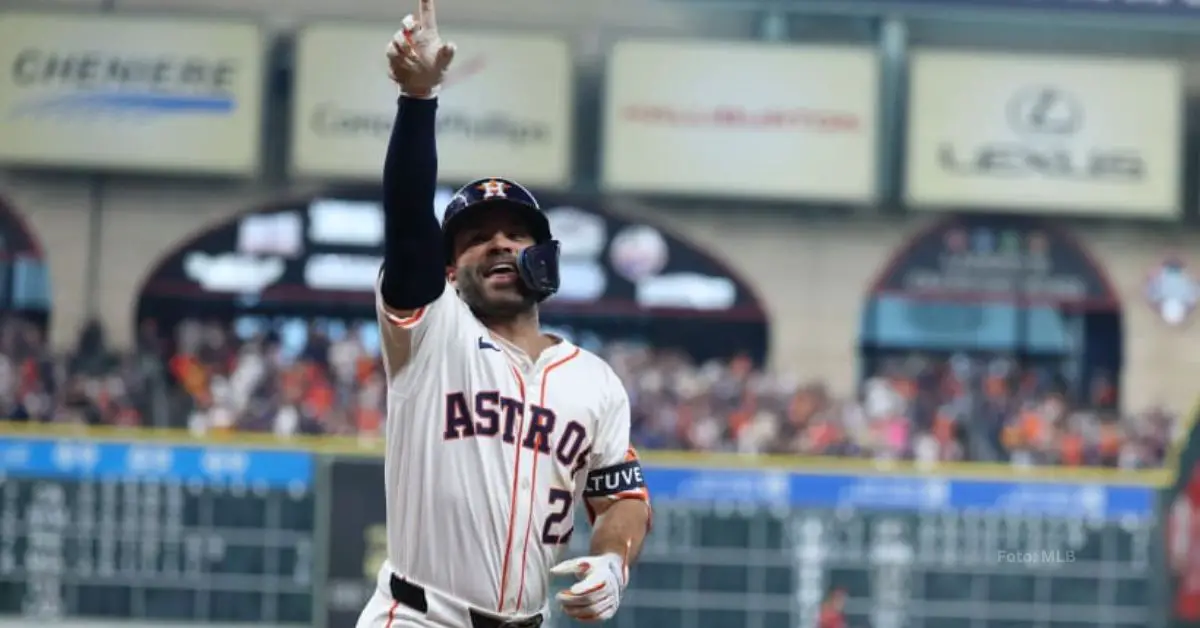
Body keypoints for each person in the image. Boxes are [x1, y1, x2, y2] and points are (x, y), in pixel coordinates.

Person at [354, 1, 652, 626]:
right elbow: (408, 229)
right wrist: (418, 99)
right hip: (418, 617)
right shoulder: (431, 334)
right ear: (447, 268)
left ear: (543, 255)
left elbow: (620, 497)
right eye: (475, 237)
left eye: (516, 234)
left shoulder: (594, 380)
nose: (498, 244)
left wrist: (613, 561)